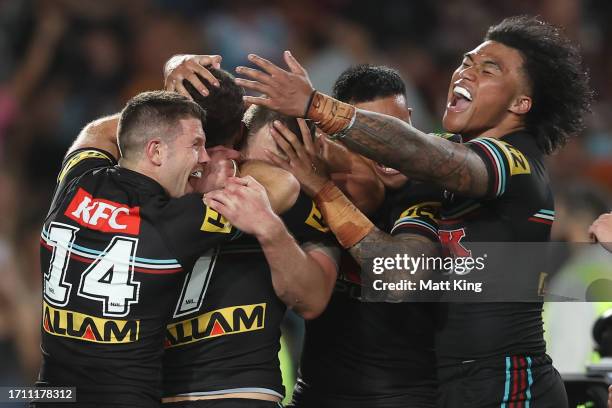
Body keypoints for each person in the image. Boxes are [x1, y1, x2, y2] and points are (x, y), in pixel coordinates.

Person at [236, 15, 593, 407]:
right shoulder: (429, 176)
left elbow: (423, 160)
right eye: (467, 62)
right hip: (459, 384)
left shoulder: (513, 158)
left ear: (520, 102)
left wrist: (316, 106)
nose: (467, 73)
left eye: (489, 69)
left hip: (509, 381)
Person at [34, 90, 275, 407]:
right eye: (196, 145)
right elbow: (282, 187)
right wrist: (227, 168)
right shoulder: (179, 224)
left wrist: (165, 101)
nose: (204, 157)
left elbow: (95, 132)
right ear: (157, 151)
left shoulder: (76, 181)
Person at [272, 64, 443, 408]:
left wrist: (322, 190)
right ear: (338, 135)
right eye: (371, 135)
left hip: (403, 399)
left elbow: (400, 276)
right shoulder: (312, 177)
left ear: (411, 121)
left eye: (395, 130)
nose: (388, 149)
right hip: (315, 395)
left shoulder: (431, 187)